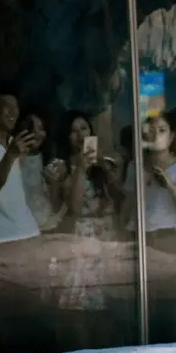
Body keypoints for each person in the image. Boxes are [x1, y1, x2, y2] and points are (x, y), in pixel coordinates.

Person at [54, 110, 122, 311]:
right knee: (83, 308)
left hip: (107, 240)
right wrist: (81, 169)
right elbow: (74, 208)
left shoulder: (103, 165)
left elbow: (117, 201)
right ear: (67, 137)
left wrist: (113, 174)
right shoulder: (61, 167)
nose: (80, 134)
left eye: (84, 128)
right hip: (81, 243)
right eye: (74, 131)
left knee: (112, 310)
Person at [120, 112, 176, 246]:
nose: (156, 135)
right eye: (150, 130)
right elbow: (126, 209)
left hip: (165, 237)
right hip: (136, 235)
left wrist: (171, 186)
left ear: (171, 137)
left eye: (162, 130)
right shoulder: (134, 166)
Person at [0, 88, 40, 243]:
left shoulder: (13, 143)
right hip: (3, 236)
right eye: (7, 106)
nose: (13, 112)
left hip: (29, 230)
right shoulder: (12, 149)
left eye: (16, 107)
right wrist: (11, 155)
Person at [15, 108, 66, 231]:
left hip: (45, 223)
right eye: (32, 128)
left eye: (41, 128)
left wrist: (54, 184)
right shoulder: (10, 157)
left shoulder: (52, 161)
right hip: (18, 226)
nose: (37, 133)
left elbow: (55, 204)